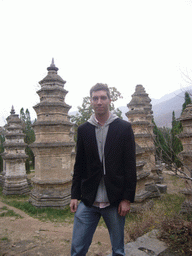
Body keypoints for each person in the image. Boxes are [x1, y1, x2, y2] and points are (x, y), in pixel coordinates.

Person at [70, 83, 137, 256]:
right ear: (91, 101)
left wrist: (127, 199)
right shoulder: (84, 130)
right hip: (88, 200)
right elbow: (79, 164)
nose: (99, 102)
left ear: (109, 100)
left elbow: (130, 165)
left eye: (103, 98)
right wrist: (74, 195)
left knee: (118, 250)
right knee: (77, 248)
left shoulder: (123, 128)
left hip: (114, 200)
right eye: (95, 98)